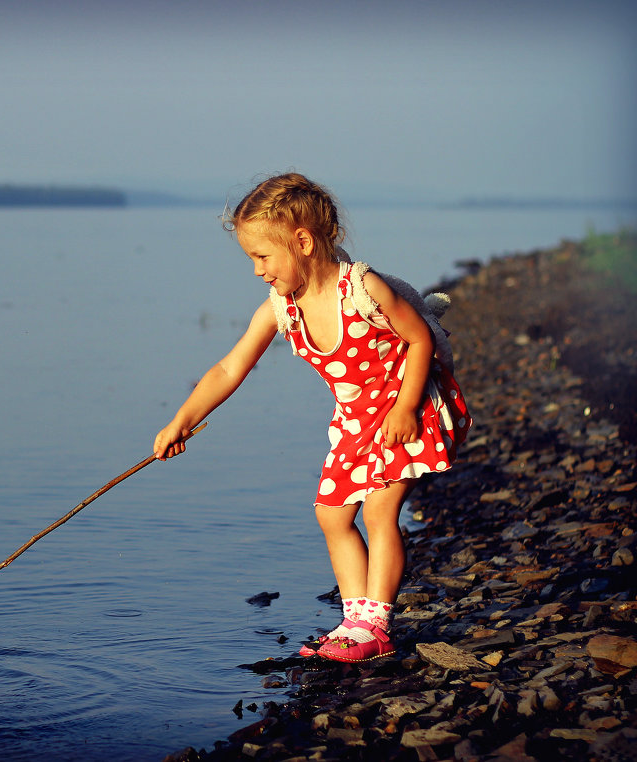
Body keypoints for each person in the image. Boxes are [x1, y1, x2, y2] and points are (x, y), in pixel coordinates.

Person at [153, 173, 471, 663]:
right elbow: (229, 367)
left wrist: (407, 406)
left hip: (405, 407)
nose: (258, 271)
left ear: (302, 242)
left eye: (262, 256)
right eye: (251, 259)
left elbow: (420, 340)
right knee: (331, 514)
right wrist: (182, 419)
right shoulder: (283, 309)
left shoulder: (362, 289)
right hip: (354, 422)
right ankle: (354, 620)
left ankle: (377, 627)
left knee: (380, 510)